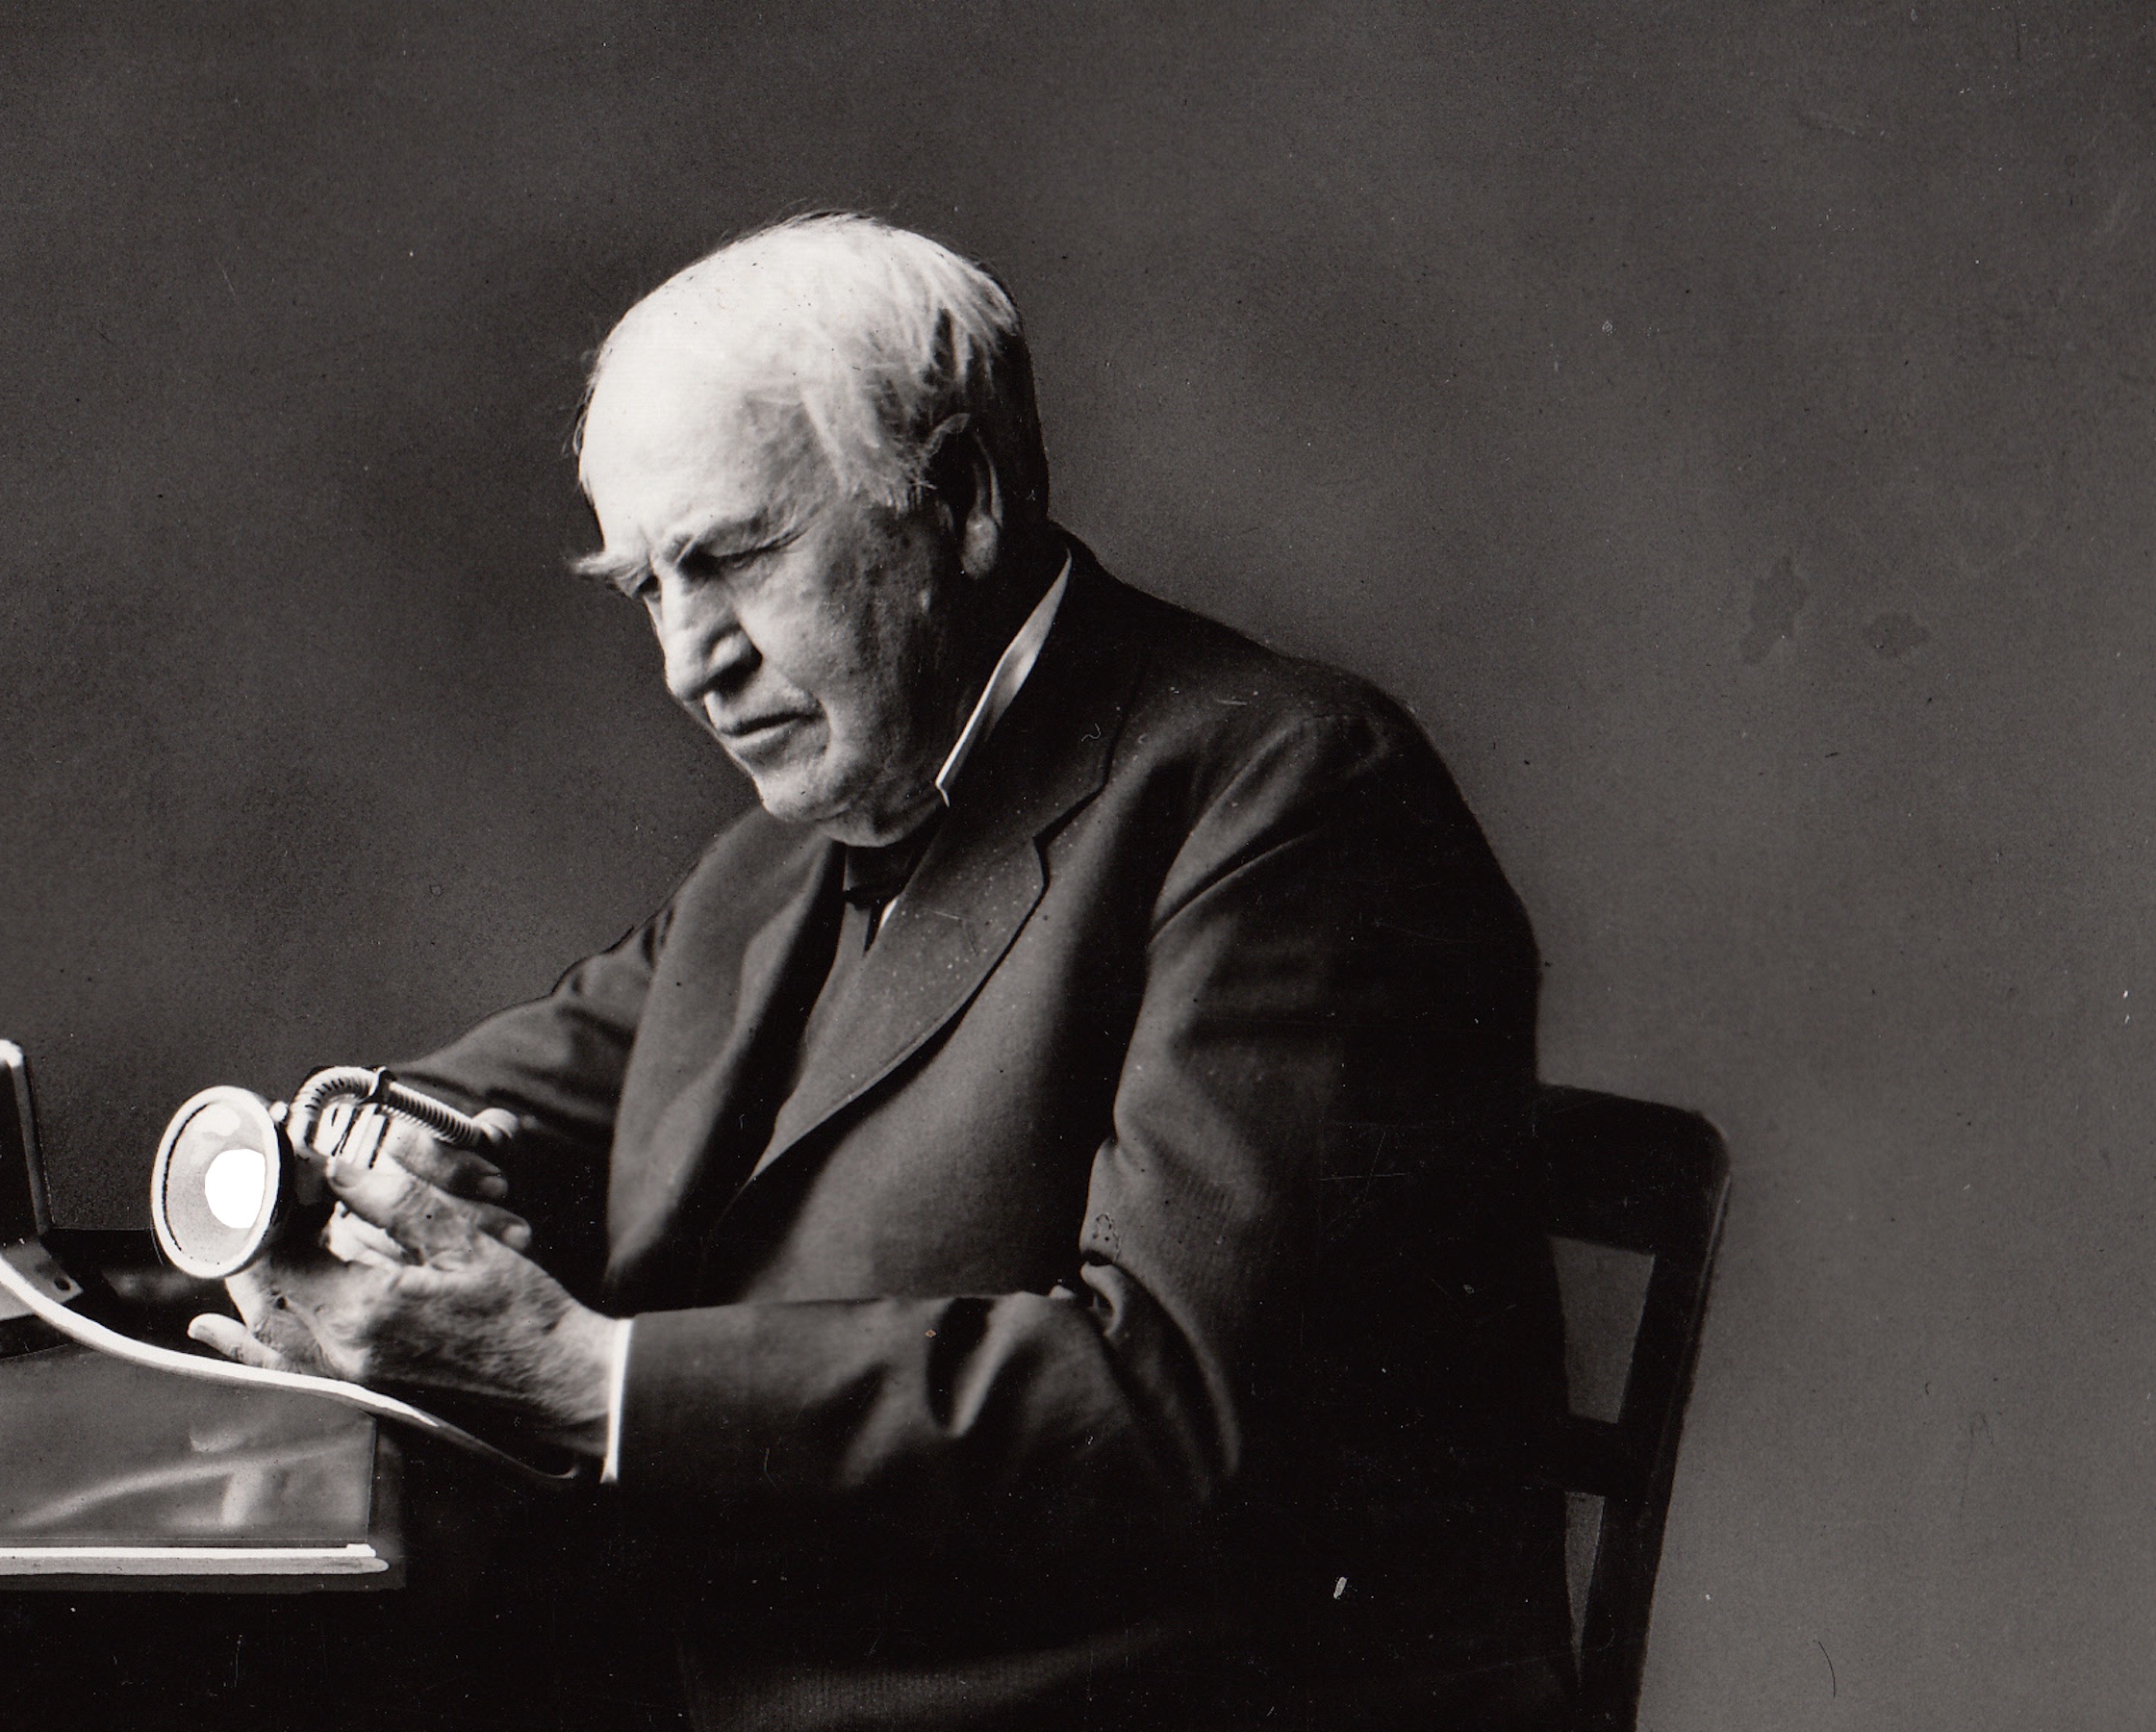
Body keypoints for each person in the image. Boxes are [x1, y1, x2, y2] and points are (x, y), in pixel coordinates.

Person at [190, 213, 1576, 1730]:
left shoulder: (1292, 795)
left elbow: (1174, 1409)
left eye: (732, 558)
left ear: (963, 498)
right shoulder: (766, 871)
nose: (685, 659)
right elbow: (463, 1105)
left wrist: (587, 1376)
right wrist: (356, 1163)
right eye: (646, 587)